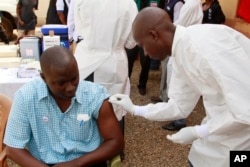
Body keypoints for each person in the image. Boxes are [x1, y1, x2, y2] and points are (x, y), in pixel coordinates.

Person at [109, 7, 250, 167]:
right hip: (218, 127)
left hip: (244, 137)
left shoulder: (205, 46)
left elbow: (245, 108)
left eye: (143, 46)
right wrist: (136, 109)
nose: (146, 54)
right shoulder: (178, 54)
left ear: (153, 35)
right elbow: (179, 106)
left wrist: (199, 131)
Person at [4, 46, 124, 167]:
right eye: (61, 83)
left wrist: (76, 164)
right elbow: (13, 148)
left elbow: (116, 142)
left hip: (87, 162)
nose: (71, 88)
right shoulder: (26, 97)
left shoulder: (95, 96)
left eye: (74, 78)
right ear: (44, 78)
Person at [74, 0, 138, 123]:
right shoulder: (129, 4)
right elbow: (131, 43)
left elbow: (80, 30)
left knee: (85, 113)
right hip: (114, 63)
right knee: (113, 112)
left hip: (87, 62)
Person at [161, 0, 203, 131]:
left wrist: (161, 29)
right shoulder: (194, 3)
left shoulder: (190, 4)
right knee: (177, 81)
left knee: (178, 83)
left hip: (182, 45)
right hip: (185, 45)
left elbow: (178, 26)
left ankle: (179, 119)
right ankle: (175, 113)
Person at [127, 0, 165, 96]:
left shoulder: (158, 1)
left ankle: (142, 85)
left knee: (145, 62)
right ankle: (126, 84)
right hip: (132, 34)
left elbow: (161, 14)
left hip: (147, 35)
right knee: (129, 60)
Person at [150, 0, 184, 102]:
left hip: (171, 42)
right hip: (164, 40)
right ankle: (162, 95)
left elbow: (177, 24)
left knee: (168, 70)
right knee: (164, 69)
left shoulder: (178, 3)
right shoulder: (168, 2)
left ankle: (166, 99)